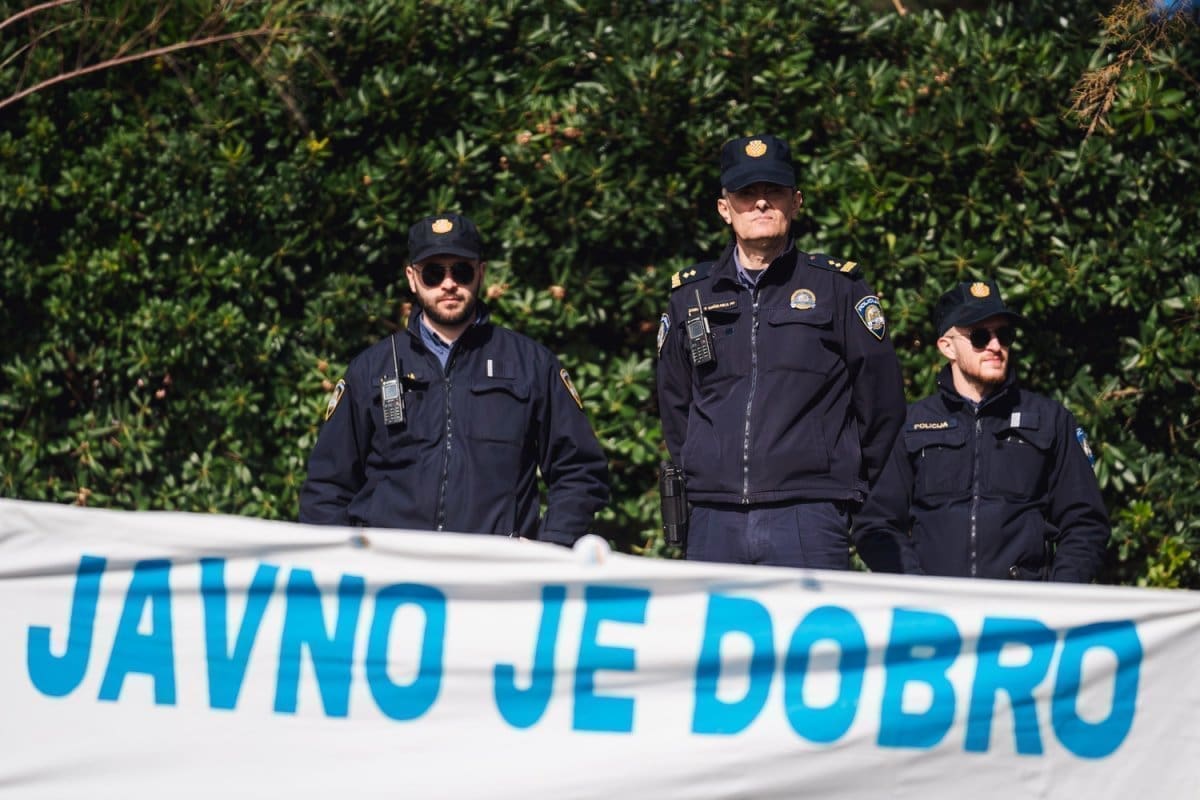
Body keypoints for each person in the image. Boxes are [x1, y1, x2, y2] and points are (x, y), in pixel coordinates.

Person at [655, 134, 906, 568]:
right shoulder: (690, 296)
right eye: (746, 193)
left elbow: (881, 402)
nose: (760, 203)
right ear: (725, 209)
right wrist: (705, 465)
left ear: (796, 202)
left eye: (773, 191)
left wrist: (839, 482)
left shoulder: (838, 288)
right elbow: (675, 404)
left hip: (810, 514)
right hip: (714, 517)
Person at [300, 212, 610, 544]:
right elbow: (327, 486)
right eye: (433, 273)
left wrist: (550, 547)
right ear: (412, 278)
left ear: (481, 273)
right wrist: (345, 560)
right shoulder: (370, 369)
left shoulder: (531, 364)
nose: (449, 284)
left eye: (461, 271)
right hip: (390, 568)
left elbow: (579, 471)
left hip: (493, 570)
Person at [853, 279, 1110, 581]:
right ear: (947, 347)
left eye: (1004, 334)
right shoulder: (911, 424)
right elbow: (876, 525)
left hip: (1021, 605)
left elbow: (1085, 524)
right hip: (935, 604)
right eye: (979, 336)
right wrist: (916, 588)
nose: (995, 346)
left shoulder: (1051, 420)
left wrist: (1057, 596)